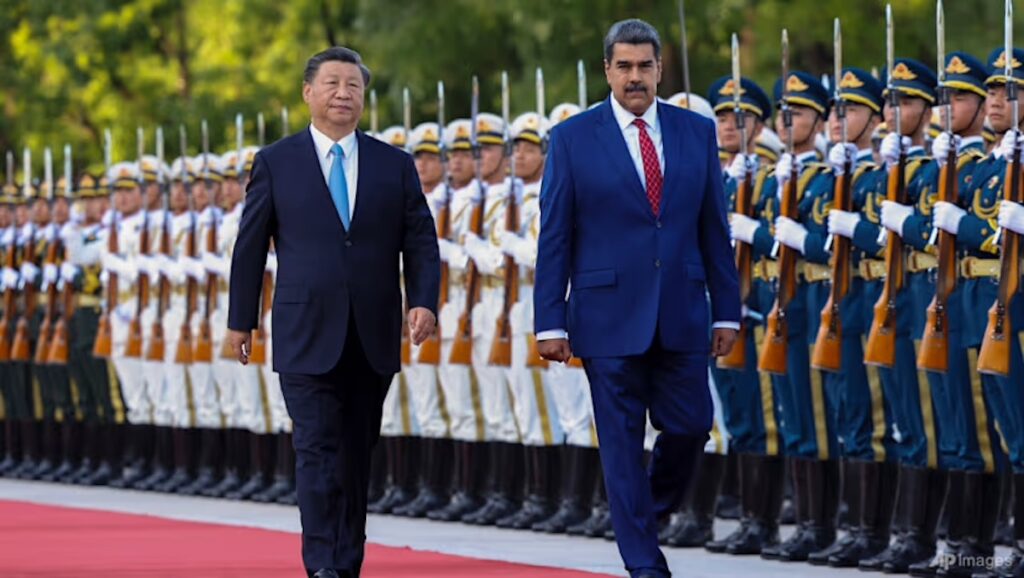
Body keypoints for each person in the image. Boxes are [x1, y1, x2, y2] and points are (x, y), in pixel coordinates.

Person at [534, 19, 740, 578]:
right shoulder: (573, 138)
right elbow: (555, 235)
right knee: (621, 447)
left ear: (660, 69)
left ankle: (643, 512)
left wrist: (726, 310)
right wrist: (549, 321)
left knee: (693, 424)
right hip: (606, 316)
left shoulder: (695, 132)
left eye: (644, 66)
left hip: (681, 311)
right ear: (607, 70)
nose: (634, 77)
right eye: (623, 66)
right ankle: (645, 565)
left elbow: (713, 228)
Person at [227, 46, 439, 578]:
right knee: (316, 448)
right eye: (332, 84)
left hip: (372, 330)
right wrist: (240, 319)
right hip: (304, 330)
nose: (343, 94)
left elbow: (420, 239)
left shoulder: (394, 164)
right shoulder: (276, 162)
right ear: (308, 93)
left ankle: (347, 562)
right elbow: (250, 247)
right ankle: (322, 562)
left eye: (353, 86)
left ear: (364, 97)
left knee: (356, 452)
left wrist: (423, 300)